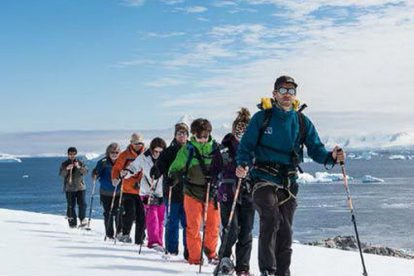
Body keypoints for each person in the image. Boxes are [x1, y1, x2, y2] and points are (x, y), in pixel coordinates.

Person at [235, 75, 346, 276]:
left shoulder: (302, 122)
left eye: (291, 91)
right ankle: (268, 270)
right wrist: (242, 164)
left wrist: (332, 157)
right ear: (275, 94)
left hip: (288, 182)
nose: (287, 94)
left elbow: (316, 149)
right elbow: (246, 146)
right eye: (283, 90)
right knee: (270, 218)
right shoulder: (262, 118)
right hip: (262, 179)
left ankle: (283, 273)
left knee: (285, 230)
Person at [169, 118, 220, 265]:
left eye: (205, 136)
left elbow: (223, 167)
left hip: (211, 193)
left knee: (213, 225)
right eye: (199, 137)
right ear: (194, 135)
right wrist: (174, 177)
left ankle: (211, 252)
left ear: (209, 134)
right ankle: (195, 258)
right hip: (192, 192)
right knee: (193, 227)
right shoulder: (188, 149)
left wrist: (217, 177)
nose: (203, 140)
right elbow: (175, 168)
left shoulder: (216, 148)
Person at [212, 108, 254, 276]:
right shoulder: (224, 149)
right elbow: (214, 170)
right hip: (228, 193)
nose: (241, 133)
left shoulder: (255, 149)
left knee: (246, 230)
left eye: (245, 130)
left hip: (248, 193)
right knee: (231, 228)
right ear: (234, 130)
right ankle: (225, 260)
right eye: (239, 130)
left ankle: (243, 266)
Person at [150, 123, 190, 258]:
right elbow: (160, 165)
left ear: (188, 135)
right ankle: (171, 250)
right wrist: (156, 171)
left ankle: (189, 252)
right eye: (179, 133)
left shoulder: (192, 149)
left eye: (184, 133)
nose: (182, 135)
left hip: (189, 192)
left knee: (188, 224)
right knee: (172, 222)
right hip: (172, 191)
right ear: (175, 135)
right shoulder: (169, 151)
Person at [127, 137, 167, 251]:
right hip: (146, 191)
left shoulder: (166, 159)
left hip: (161, 192)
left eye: (160, 152)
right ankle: (153, 242)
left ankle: (159, 241)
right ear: (151, 149)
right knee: (152, 216)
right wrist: (127, 172)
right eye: (155, 151)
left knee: (160, 218)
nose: (157, 154)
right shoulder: (144, 157)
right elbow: (134, 167)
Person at [111, 133, 146, 244]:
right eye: (136, 143)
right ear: (131, 143)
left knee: (141, 215)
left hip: (142, 190)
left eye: (140, 143)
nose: (138, 145)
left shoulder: (146, 154)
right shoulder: (124, 155)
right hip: (127, 189)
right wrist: (115, 178)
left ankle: (139, 239)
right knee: (129, 213)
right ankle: (125, 234)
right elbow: (116, 168)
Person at [92, 142, 121, 239]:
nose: (114, 154)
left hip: (119, 192)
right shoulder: (103, 162)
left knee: (118, 212)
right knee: (108, 213)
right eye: (112, 152)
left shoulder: (121, 162)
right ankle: (109, 234)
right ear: (108, 152)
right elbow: (96, 173)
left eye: (117, 152)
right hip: (106, 192)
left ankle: (119, 233)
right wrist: (95, 173)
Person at [59, 147, 88, 228]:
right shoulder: (64, 164)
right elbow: (61, 174)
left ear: (76, 154)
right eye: (70, 154)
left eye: (73, 154)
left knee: (82, 204)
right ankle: (72, 223)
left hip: (80, 187)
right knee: (71, 205)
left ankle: (82, 220)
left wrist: (79, 167)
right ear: (68, 154)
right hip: (69, 188)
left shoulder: (80, 162)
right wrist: (66, 169)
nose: (72, 156)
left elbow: (86, 172)